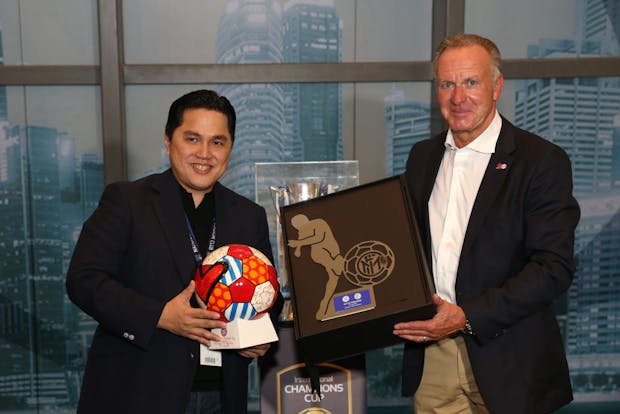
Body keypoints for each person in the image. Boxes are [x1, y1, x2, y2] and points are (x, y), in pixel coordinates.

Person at [393, 34, 580, 414]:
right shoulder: (422, 157)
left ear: (496, 86)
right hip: (434, 356)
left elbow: (553, 267)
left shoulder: (541, 161)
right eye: (447, 84)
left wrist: (468, 316)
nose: (458, 97)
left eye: (470, 82)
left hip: (509, 356)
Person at [66, 89, 282, 414]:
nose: (205, 153)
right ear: (168, 141)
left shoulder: (248, 215)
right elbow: (84, 280)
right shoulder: (127, 200)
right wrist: (160, 316)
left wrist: (261, 335)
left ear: (230, 148)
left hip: (222, 395)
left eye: (217, 142)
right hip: (137, 393)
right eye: (192, 139)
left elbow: (269, 296)